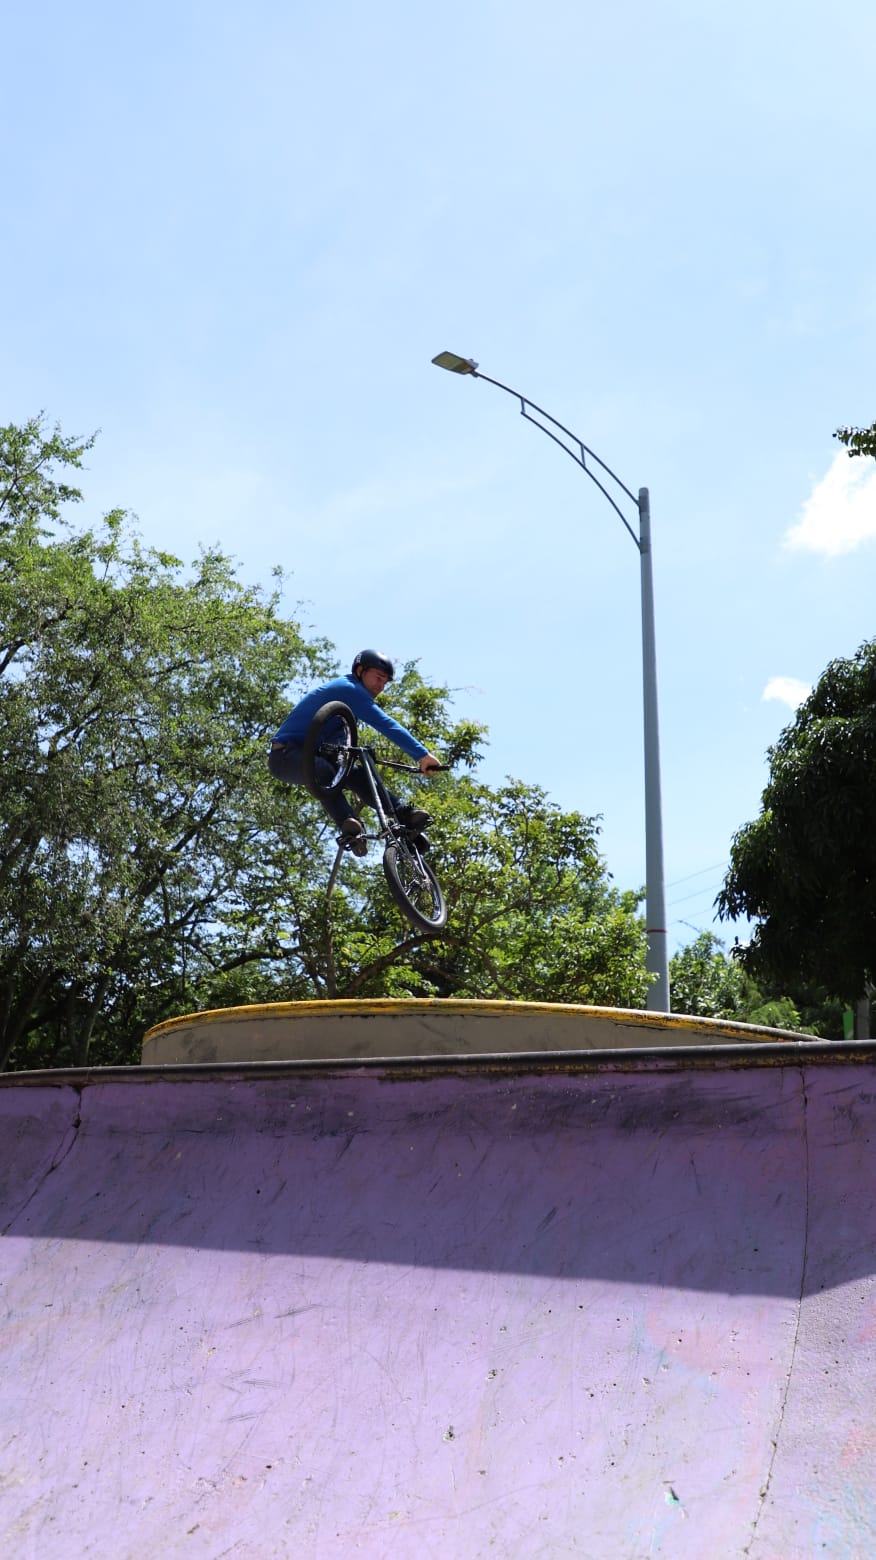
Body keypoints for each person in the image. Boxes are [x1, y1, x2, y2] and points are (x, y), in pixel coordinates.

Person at [268, 649, 441, 855]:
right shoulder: (350, 689)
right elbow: (386, 724)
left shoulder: (349, 705)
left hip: (315, 755)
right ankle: (349, 824)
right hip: (285, 756)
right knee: (324, 771)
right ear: (360, 671)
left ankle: (403, 814)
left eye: (385, 682)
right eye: (378, 678)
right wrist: (422, 755)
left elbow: (339, 745)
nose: (381, 686)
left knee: (356, 774)